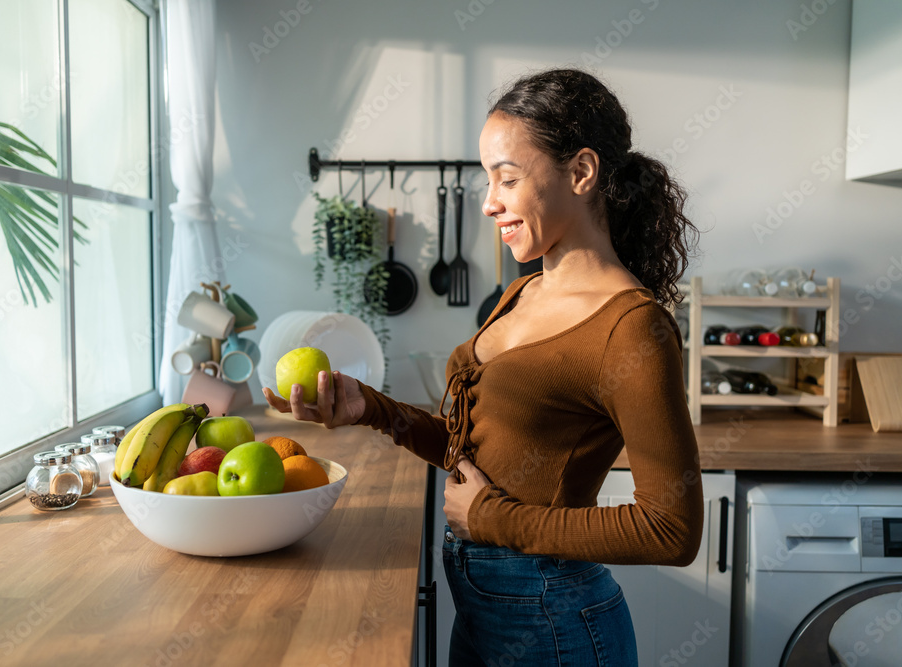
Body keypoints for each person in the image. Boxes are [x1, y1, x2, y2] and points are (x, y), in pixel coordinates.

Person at [264, 68, 703, 667]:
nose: (490, 202)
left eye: (508, 178)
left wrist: (493, 518)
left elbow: (672, 529)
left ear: (581, 172)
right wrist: (372, 409)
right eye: (486, 179)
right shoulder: (517, 293)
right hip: (483, 608)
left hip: (554, 620)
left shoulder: (632, 327)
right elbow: (474, 454)